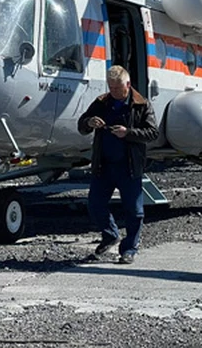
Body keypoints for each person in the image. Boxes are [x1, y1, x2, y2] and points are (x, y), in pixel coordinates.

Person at [77, 65, 159, 264]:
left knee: (134, 210)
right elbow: (81, 125)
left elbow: (152, 132)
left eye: (117, 88)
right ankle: (110, 235)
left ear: (128, 84)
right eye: (110, 88)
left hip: (129, 166)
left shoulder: (141, 104)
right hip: (103, 165)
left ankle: (129, 249)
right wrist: (89, 122)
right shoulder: (102, 102)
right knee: (95, 204)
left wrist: (128, 133)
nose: (113, 92)